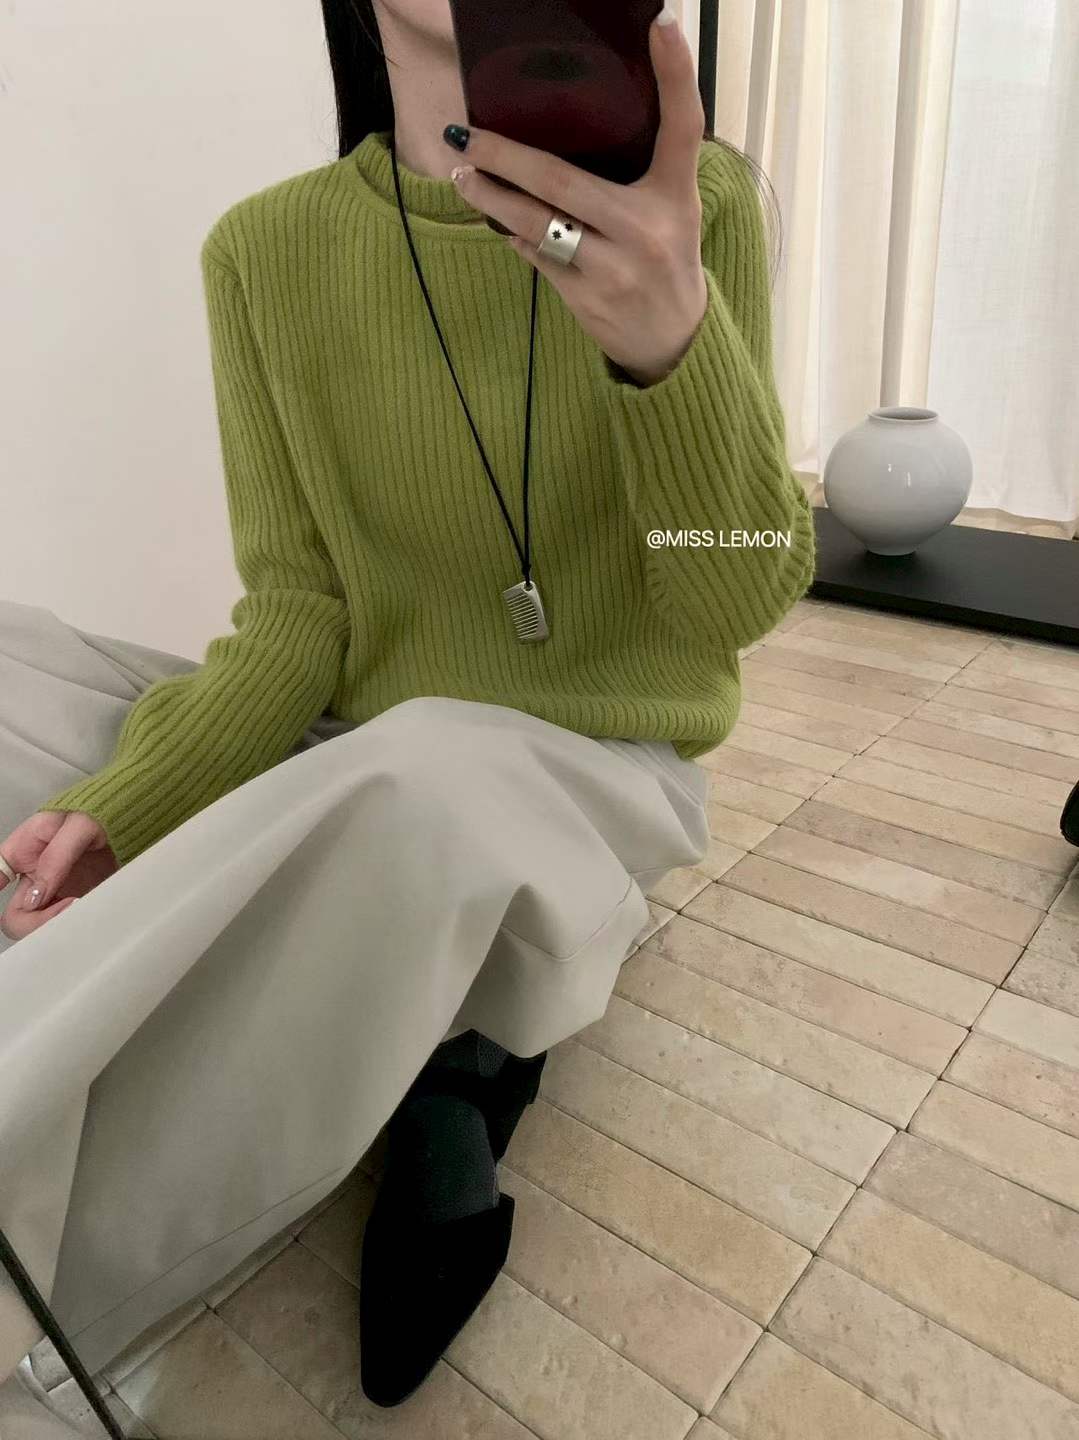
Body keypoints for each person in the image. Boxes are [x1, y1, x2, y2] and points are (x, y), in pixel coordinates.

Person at [0, 0, 815, 1424]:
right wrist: (124, 807)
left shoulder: (692, 205)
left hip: (586, 772)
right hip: (362, 751)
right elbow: (297, 617)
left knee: (421, 775)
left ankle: (41, 1308)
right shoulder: (266, 251)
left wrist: (668, 352)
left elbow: (730, 603)